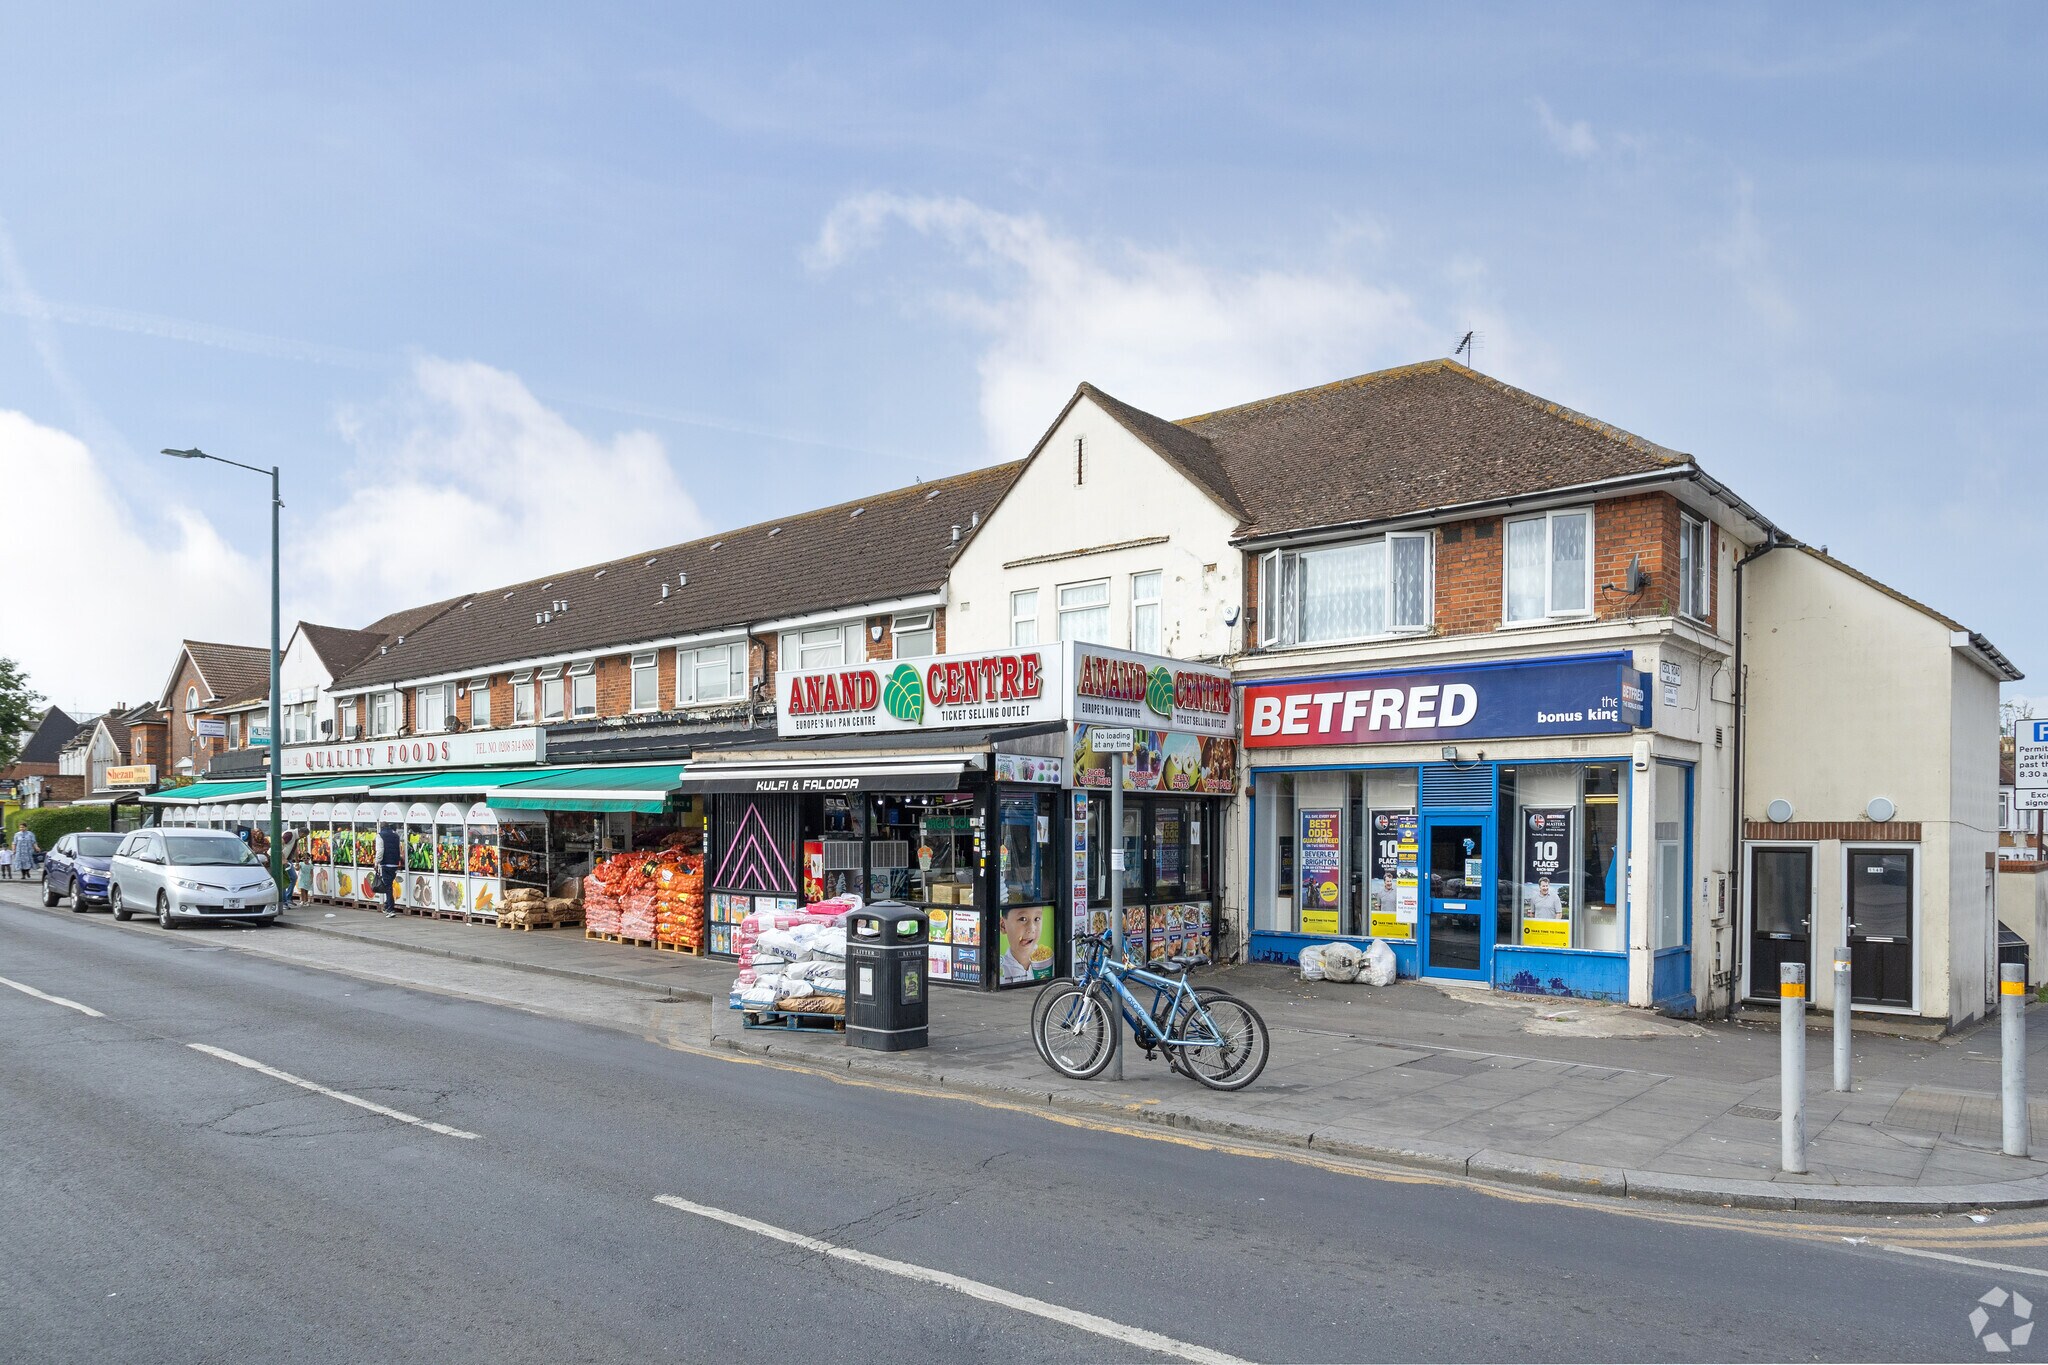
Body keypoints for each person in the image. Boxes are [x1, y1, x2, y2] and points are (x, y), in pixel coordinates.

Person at [998, 902, 1046, 985]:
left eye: (1037, 919)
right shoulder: (1000, 970)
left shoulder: (1048, 961)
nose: (1031, 929)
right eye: (1023, 919)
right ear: (1003, 925)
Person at [376, 819, 402, 917]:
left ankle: (390, 910)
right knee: (389, 885)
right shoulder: (395, 835)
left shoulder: (380, 836)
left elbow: (380, 851)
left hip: (386, 864)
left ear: (381, 827)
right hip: (394, 863)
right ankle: (387, 906)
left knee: (388, 887)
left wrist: (376, 863)